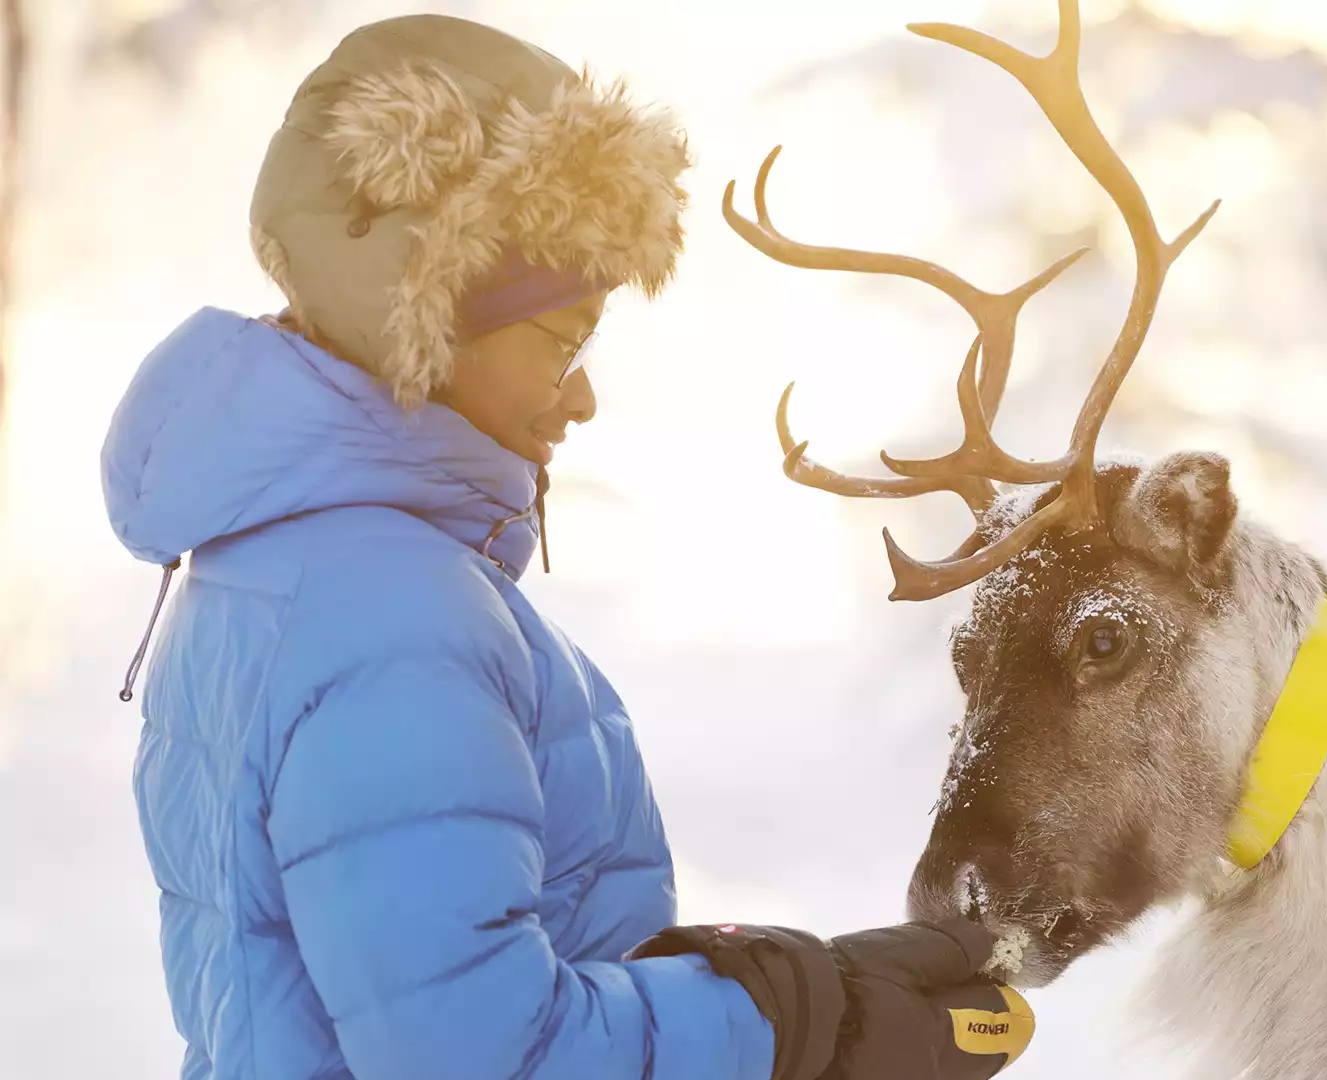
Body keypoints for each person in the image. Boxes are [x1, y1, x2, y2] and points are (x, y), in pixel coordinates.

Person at [100, 15, 1033, 1080]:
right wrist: (796, 1031)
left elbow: (425, 985)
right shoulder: (391, 618)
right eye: (563, 340)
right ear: (431, 312)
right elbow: (477, 1052)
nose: (584, 394)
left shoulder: (278, 566)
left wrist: (788, 982)